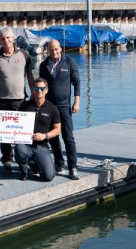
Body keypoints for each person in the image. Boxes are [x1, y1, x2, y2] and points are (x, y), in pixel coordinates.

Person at [0, 27, 35, 173]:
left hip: (20, 99)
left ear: (13, 39)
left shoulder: (24, 54)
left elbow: (30, 75)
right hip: (1, 99)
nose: (6, 41)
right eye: (2, 39)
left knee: (21, 132)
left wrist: (34, 92)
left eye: (8, 38)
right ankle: (7, 160)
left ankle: (24, 158)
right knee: (4, 133)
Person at [39, 39, 81, 179]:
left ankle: (72, 166)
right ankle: (59, 163)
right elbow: (41, 86)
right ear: (47, 50)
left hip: (64, 105)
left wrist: (76, 102)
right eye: (51, 49)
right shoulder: (43, 65)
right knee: (53, 137)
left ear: (60, 49)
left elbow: (77, 83)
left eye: (56, 49)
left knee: (68, 137)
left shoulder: (69, 62)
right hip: (50, 107)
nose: (54, 52)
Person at [15, 78, 61, 181]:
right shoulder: (25, 106)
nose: (39, 90)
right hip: (26, 144)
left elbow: (57, 129)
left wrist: (45, 136)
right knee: (19, 149)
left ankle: (33, 163)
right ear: (33, 90)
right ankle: (23, 172)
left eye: (42, 88)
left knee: (49, 176)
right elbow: (16, 124)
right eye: (36, 88)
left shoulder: (52, 108)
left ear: (46, 90)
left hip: (41, 146)